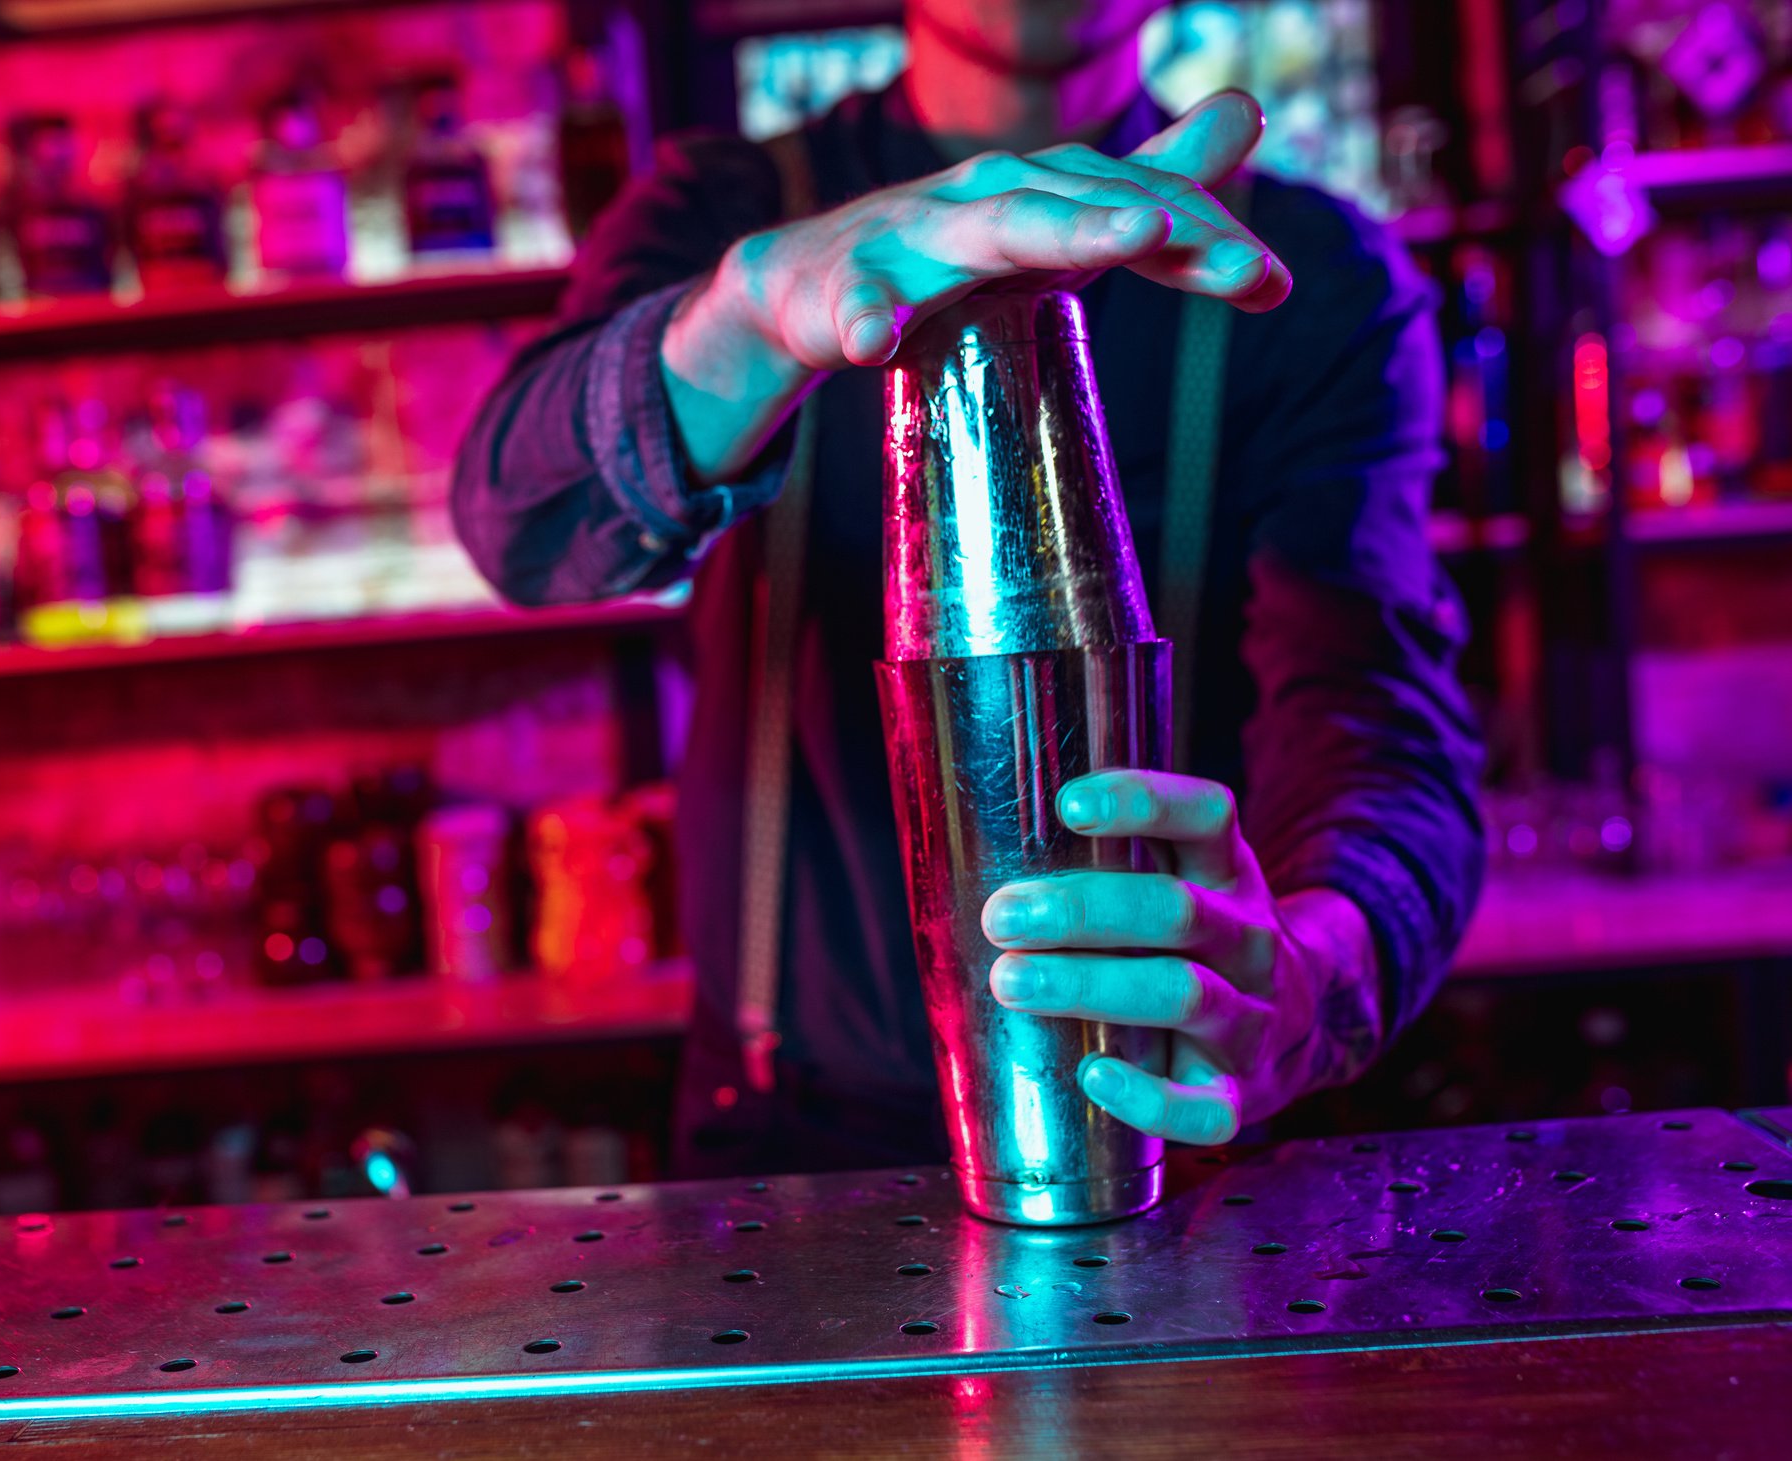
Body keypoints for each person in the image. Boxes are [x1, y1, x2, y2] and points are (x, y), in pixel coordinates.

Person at [452, 0, 1483, 1176]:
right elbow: (521, 525)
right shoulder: (725, 207)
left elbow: (1377, 720)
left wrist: (1309, 975)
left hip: (1179, 1145)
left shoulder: (1315, 275)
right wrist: (743, 320)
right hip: (790, 1158)